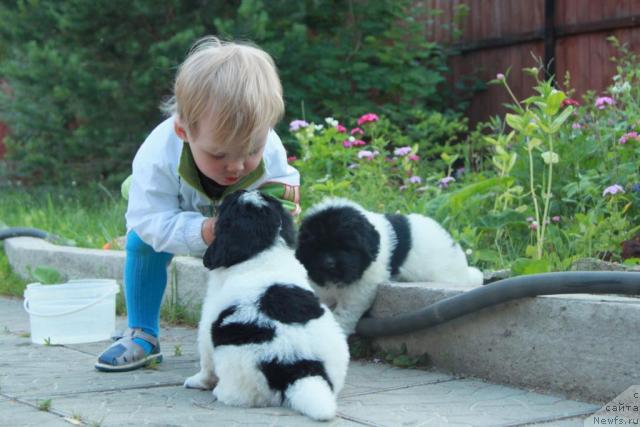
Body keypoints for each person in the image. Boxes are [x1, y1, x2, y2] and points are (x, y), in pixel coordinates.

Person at [95, 36, 300, 372]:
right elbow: (150, 221)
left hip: (236, 222)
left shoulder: (271, 149)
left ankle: (267, 327)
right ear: (183, 131)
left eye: (251, 151)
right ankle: (142, 333)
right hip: (173, 214)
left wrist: (271, 224)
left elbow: (284, 196)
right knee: (141, 242)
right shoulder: (157, 155)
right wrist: (204, 230)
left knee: (271, 255)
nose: (235, 166)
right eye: (219, 154)